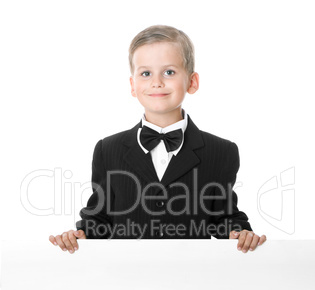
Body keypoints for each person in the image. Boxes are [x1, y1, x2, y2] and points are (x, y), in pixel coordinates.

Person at [49, 24, 266, 254]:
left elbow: (224, 217)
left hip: (192, 279)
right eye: (146, 73)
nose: (157, 82)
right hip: (125, 279)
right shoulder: (108, 150)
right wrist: (80, 235)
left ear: (192, 82)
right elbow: (100, 218)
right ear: (133, 85)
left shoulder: (221, 152)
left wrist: (238, 233)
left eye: (169, 72)